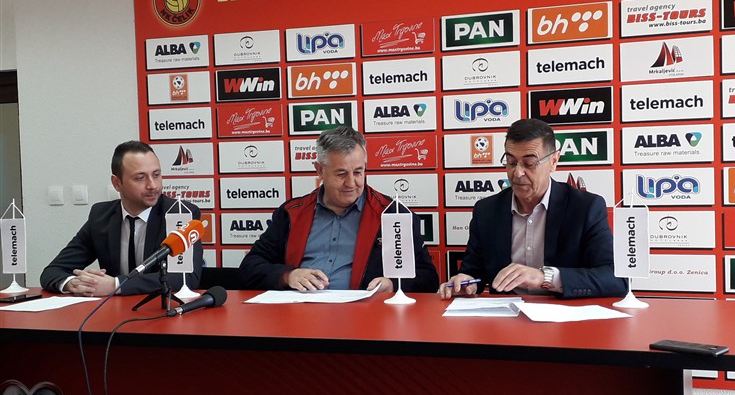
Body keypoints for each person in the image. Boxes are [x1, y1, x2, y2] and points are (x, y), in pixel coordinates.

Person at [439, 118, 626, 300]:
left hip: (563, 315)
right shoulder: (486, 210)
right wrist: (466, 282)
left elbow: (616, 279)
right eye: (511, 162)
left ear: (554, 161)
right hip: (505, 315)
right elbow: (473, 271)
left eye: (529, 164)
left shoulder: (586, 208)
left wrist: (545, 277)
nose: (518, 173)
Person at [239, 126, 439, 293]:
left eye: (358, 172)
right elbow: (249, 268)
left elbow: (428, 278)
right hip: (298, 315)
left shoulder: (393, 214)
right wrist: (287, 276)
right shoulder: (291, 213)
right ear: (320, 170)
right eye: (341, 174)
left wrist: (393, 285)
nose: (351, 183)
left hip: (366, 318)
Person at [40, 141, 203, 296]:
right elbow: (52, 271)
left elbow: (185, 278)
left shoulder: (180, 214)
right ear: (117, 183)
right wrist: (74, 283)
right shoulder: (101, 216)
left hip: (161, 310)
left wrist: (116, 285)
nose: (153, 185)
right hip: (114, 312)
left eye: (156, 175)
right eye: (140, 178)